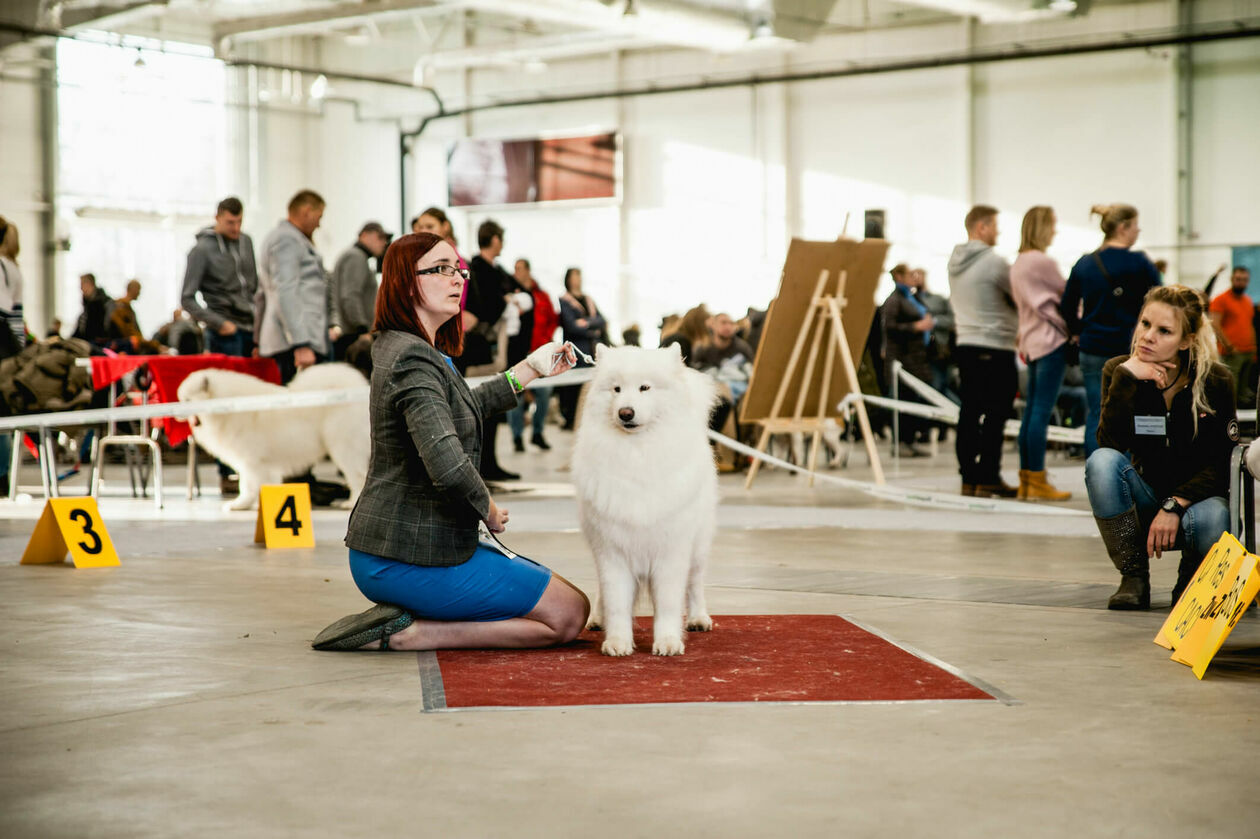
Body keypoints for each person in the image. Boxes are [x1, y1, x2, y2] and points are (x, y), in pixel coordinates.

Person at [310, 232, 588, 652]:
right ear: (405, 283)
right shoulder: (413, 357)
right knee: (568, 615)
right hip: (403, 557)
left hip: (399, 550)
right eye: (440, 269)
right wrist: (487, 507)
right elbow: (448, 465)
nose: (457, 278)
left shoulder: (413, 347)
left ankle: (413, 622)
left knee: (570, 604)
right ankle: (411, 635)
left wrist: (529, 370)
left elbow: (461, 408)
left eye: (457, 269)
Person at [1084, 285, 1235, 610]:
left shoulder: (1216, 380)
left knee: (1215, 517)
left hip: (1195, 505)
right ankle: (1133, 577)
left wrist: (1174, 505)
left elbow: (1222, 463)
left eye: (1164, 331)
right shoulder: (1118, 371)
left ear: (1186, 341)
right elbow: (1109, 446)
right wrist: (1126, 378)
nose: (1147, 336)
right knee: (1101, 462)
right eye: (1145, 324)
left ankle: (1190, 578)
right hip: (1144, 498)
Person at [1060, 203, 1160, 457]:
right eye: (1135, 225)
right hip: (1130, 348)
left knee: (1097, 411)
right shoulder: (1139, 262)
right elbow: (1161, 301)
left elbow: (1066, 305)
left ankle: (1097, 470)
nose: (1138, 230)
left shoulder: (1084, 263)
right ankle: (1125, 472)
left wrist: (1078, 330)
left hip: (1092, 346)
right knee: (1131, 411)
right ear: (1123, 227)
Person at [948, 205, 1017, 497]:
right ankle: (988, 476)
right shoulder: (994, 263)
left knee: (969, 412)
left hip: (966, 344)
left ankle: (968, 478)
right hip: (996, 345)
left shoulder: (953, 262)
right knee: (995, 415)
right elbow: (1018, 295)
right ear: (981, 227)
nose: (998, 232)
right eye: (995, 226)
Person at [1010, 206, 1072, 501]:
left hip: (1030, 341)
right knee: (1041, 412)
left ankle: (1028, 479)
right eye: (1052, 224)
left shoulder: (1019, 262)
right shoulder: (1041, 261)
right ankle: (1037, 478)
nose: (1055, 231)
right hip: (1050, 341)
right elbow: (1067, 295)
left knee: (1032, 412)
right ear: (1042, 227)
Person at [257, 190, 329, 384]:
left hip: (294, 342)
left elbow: (263, 294)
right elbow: (286, 291)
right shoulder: (286, 239)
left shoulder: (288, 237)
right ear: (307, 211)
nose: (319, 224)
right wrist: (301, 343)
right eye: (319, 216)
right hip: (294, 345)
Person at [465, 220, 515, 480]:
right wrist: (506, 301)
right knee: (482, 405)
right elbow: (485, 308)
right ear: (494, 239)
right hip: (479, 350)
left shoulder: (496, 270)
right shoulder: (477, 269)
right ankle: (483, 464)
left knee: (493, 408)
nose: (502, 243)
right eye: (501, 238)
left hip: (493, 349)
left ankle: (490, 462)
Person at [181, 196, 258, 358]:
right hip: (225, 333)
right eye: (230, 223)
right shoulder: (201, 250)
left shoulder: (246, 242)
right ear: (217, 218)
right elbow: (187, 299)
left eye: (239, 222)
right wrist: (219, 323)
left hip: (252, 330)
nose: (236, 228)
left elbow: (254, 286)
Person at [880, 263, 934, 457]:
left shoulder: (911, 297)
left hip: (916, 358)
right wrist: (916, 327)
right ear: (900, 277)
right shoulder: (894, 300)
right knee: (902, 401)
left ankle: (910, 441)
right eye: (910, 274)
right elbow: (890, 327)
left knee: (914, 400)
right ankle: (901, 442)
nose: (914, 277)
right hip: (902, 359)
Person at [506, 258, 559, 452]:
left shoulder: (542, 296)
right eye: (515, 269)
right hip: (517, 353)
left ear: (528, 270)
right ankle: (517, 436)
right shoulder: (511, 295)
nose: (516, 272)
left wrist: (546, 339)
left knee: (544, 392)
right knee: (515, 395)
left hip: (539, 351)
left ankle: (537, 432)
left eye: (520, 268)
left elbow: (553, 319)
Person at [329, 221, 391, 360]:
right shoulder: (356, 256)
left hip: (352, 333)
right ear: (364, 235)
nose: (384, 243)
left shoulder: (356, 256)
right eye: (379, 237)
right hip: (354, 336)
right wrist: (362, 329)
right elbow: (350, 296)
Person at [557, 267, 606, 430]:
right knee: (573, 388)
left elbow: (602, 320)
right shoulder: (564, 300)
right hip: (575, 351)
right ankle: (571, 419)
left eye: (579, 276)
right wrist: (592, 326)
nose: (577, 279)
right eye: (574, 276)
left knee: (589, 385)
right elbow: (571, 326)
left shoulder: (588, 299)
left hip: (591, 350)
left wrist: (585, 322)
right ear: (568, 279)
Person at [1208, 266, 1255, 406]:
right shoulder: (1220, 300)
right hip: (1231, 352)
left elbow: (1249, 324)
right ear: (1232, 279)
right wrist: (1228, 345)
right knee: (1230, 388)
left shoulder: (1247, 301)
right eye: (1238, 279)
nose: (1241, 282)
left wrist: (1254, 347)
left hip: (1248, 351)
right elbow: (1215, 324)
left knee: (1243, 391)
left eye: (1244, 280)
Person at [914, 268, 958, 405]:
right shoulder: (910, 301)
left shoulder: (938, 299)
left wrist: (934, 321)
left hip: (939, 349)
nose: (916, 278)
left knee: (940, 387)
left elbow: (952, 320)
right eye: (913, 275)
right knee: (925, 389)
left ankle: (957, 411)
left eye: (919, 275)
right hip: (918, 351)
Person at [107, 279, 162, 354]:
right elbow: (127, 331)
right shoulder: (121, 308)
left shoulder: (126, 308)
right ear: (133, 289)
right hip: (123, 346)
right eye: (139, 290)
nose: (139, 293)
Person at [0, 215, 24, 357]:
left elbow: (3, 308)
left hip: (5, 344)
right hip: (14, 340)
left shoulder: (2, 265)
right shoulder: (12, 266)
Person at [72, 273, 113, 347]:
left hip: (99, 344)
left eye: (82, 284)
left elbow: (106, 328)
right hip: (89, 343)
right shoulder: (87, 305)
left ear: (90, 284)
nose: (81, 288)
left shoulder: (104, 303)